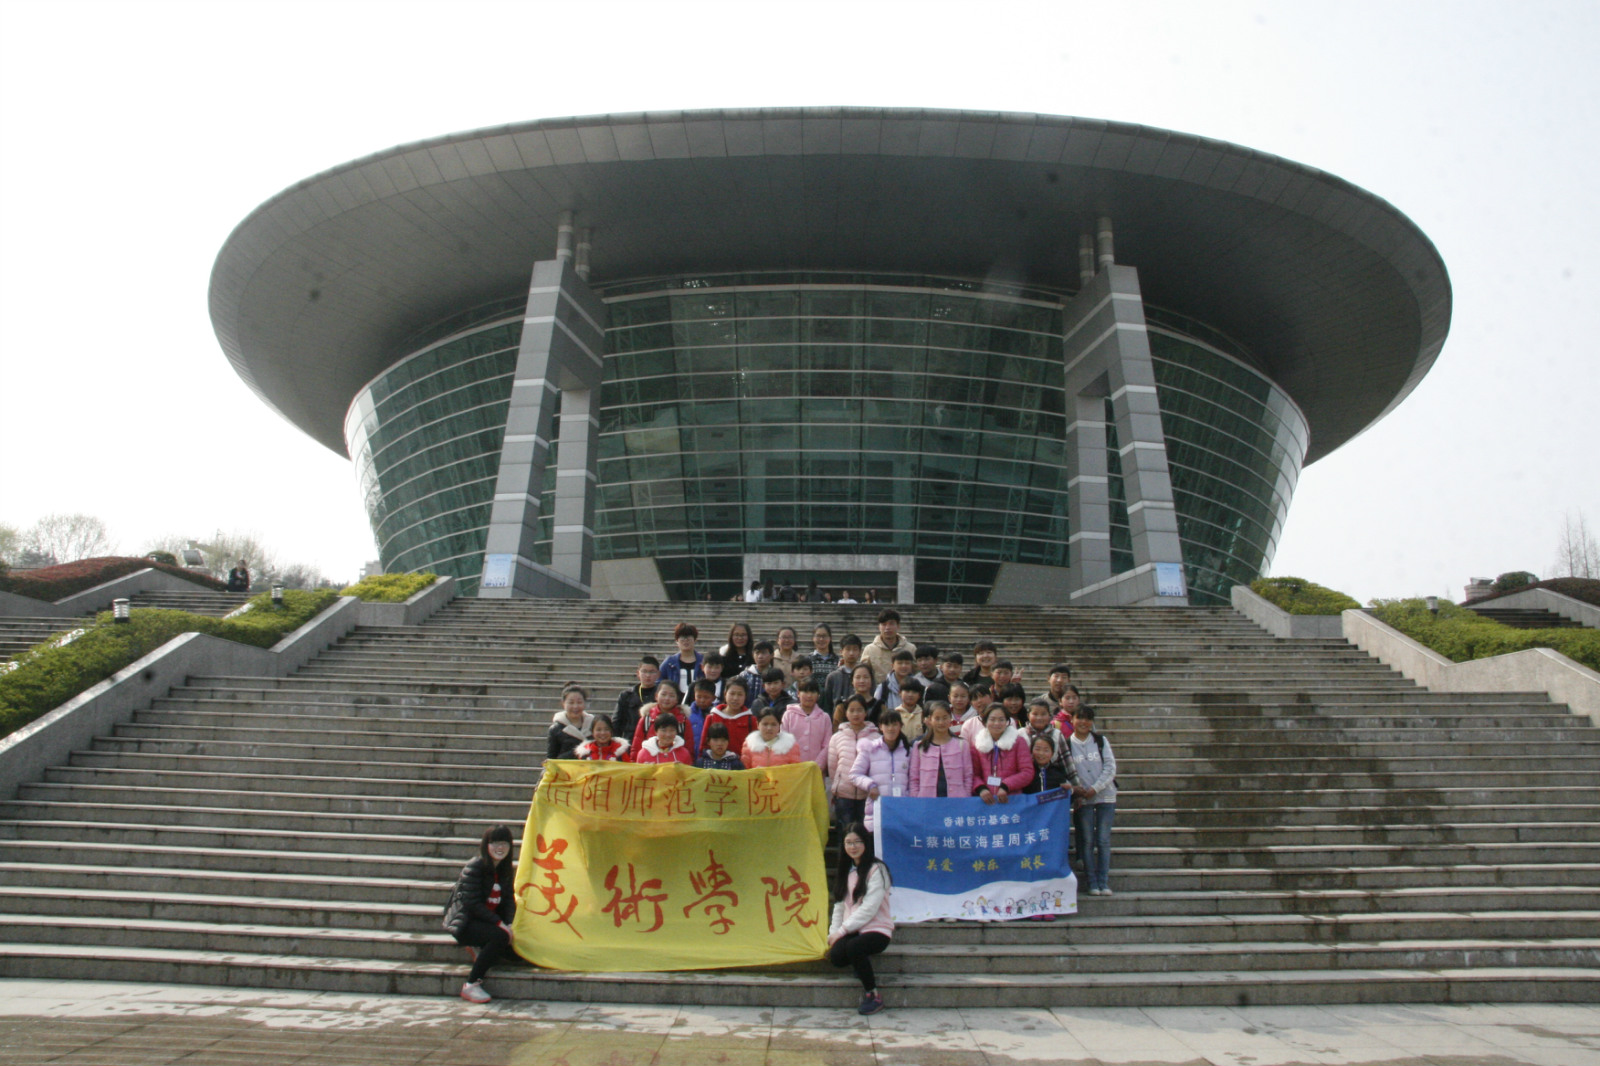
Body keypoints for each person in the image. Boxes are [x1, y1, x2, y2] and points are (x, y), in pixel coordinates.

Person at [443, 825, 517, 1003]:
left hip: (487, 922)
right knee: (500, 937)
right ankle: (471, 984)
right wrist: (500, 925)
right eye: (495, 843)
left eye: (505, 843)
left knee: (514, 954)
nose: (500, 848)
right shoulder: (475, 866)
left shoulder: (505, 870)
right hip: (465, 922)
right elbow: (472, 904)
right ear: (486, 845)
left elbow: (508, 900)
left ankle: (480, 948)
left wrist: (509, 924)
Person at [828, 823, 893, 1015]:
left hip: (877, 929)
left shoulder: (877, 869)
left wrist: (842, 931)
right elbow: (839, 906)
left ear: (866, 843)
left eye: (857, 841)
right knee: (836, 956)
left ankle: (873, 995)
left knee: (854, 947)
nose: (853, 846)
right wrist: (833, 933)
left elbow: (869, 909)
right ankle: (859, 962)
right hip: (854, 930)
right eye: (848, 842)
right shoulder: (846, 871)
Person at [1067, 706, 1117, 895]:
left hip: (1105, 796)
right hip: (1082, 799)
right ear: (1072, 720)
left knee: (1103, 840)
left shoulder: (1100, 741)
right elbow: (1067, 771)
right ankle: (1092, 883)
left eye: (1088, 719)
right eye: (1079, 718)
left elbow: (1110, 768)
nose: (1083, 722)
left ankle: (1103, 882)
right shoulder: (1067, 744)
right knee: (1087, 841)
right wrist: (1078, 790)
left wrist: (1095, 788)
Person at [850, 708, 911, 834]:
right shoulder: (870, 748)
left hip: (903, 809)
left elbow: (914, 778)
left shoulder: (908, 751)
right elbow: (854, 774)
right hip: (877, 807)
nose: (891, 728)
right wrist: (870, 785)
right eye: (887, 724)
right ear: (880, 727)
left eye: (894, 724)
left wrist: (908, 795)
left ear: (900, 726)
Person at [827, 695, 880, 827]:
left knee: (866, 831)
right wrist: (837, 786)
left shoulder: (876, 737)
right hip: (843, 795)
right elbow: (832, 766)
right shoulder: (837, 737)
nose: (856, 714)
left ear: (866, 712)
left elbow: (878, 766)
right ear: (846, 713)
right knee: (845, 831)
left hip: (867, 795)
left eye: (859, 710)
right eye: (852, 710)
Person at [908, 702, 973, 798]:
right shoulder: (919, 746)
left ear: (950, 718)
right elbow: (914, 778)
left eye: (945, 718)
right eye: (937, 718)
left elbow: (968, 776)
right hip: (926, 801)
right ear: (930, 719)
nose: (941, 722)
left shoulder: (962, 744)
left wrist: (966, 796)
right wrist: (916, 799)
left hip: (957, 800)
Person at [970, 704, 1032, 805]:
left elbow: (1027, 772)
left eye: (1001, 719)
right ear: (985, 722)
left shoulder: (1018, 742)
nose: (997, 723)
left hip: (1012, 799)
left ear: (1007, 721)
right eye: (992, 719)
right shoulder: (977, 744)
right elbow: (972, 773)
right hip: (985, 801)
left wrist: (1006, 786)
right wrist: (981, 788)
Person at [782, 678, 833, 778]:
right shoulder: (788, 715)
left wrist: (817, 765)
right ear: (798, 693)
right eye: (805, 691)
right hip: (793, 771)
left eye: (813, 692)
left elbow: (827, 745)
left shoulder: (824, 717)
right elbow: (783, 742)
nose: (809, 695)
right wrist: (792, 764)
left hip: (816, 772)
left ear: (818, 695)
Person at [628, 680, 690, 757]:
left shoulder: (683, 721)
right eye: (663, 694)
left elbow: (689, 748)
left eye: (671, 696)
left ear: (677, 699)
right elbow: (637, 746)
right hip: (649, 761)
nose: (667, 698)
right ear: (656, 696)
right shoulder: (647, 719)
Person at [698, 676, 755, 756]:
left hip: (741, 763)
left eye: (740, 694)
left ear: (745, 696)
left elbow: (754, 748)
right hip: (716, 763)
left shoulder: (750, 719)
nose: (735, 698)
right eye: (732, 694)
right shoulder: (712, 717)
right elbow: (704, 746)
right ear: (725, 694)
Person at [613, 656, 660, 751]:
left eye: (652, 672)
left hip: (655, 743)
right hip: (630, 742)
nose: (648, 675)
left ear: (658, 674)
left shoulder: (661, 696)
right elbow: (616, 723)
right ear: (638, 673)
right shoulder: (626, 696)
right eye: (644, 671)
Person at [861, 609, 914, 683]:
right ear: (879, 627)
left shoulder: (910, 649)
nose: (887, 628)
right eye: (884, 624)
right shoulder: (870, 650)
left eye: (891, 624)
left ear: (898, 626)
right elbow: (864, 673)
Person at [546, 683, 593, 761]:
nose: (575, 706)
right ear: (563, 703)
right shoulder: (556, 729)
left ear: (584, 703)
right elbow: (551, 759)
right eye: (571, 702)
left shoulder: (593, 725)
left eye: (579, 702)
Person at [822, 634, 864, 714]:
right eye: (848, 649)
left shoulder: (865, 676)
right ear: (841, 652)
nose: (851, 653)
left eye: (855, 649)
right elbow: (827, 704)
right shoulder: (833, 677)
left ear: (860, 652)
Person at [660, 623, 704, 692]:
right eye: (682, 638)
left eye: (689, 637)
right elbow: (658, 680)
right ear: (677, 641)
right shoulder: (670, 662)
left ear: (695, 640)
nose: (685, 640)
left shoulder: (703, 661)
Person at [684, 678, 719, 752]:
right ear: (694, 696)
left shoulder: (717, 714)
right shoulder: (687, 714)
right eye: (699, 697)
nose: (702, 700)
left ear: (713, 698)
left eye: (706, 697)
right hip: (692, 753)